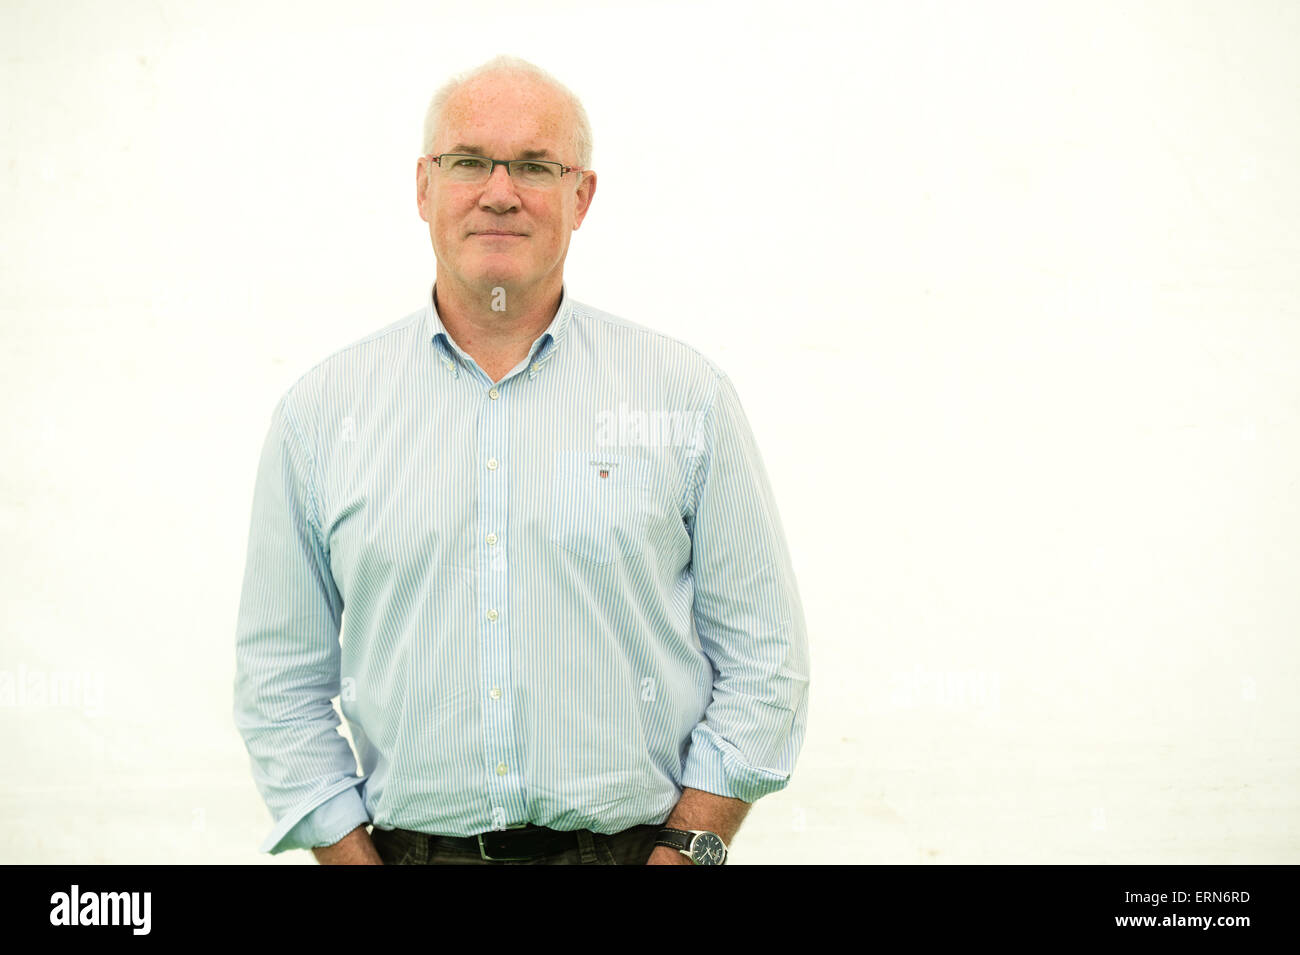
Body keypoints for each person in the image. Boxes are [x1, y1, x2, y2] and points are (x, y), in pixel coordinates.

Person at [233, 55, 810, 865]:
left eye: (536, 165)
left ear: (582, 197)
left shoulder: (684, 397)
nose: (499, 191)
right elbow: (277, 679)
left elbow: (765, 659)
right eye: (469, 161)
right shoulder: (323, 415)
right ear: (424, 188)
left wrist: (689, 850)